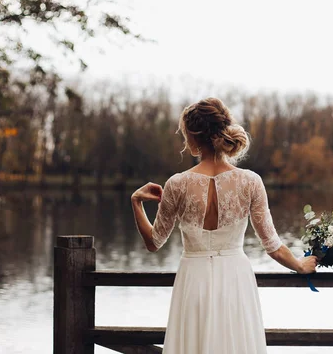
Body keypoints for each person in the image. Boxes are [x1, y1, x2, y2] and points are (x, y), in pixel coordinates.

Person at [131, 97, 318, 353]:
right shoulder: (250, 182)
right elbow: (272, 245)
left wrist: (136, 202)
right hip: (235, 278)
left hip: (193, 279)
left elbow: (154, 243)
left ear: (194, 138)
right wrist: (300, 265)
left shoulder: (177, 184)